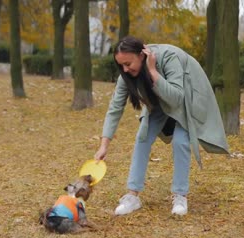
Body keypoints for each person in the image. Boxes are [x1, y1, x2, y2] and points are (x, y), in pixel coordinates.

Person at [94, 36, 229, 216]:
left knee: (181, 141)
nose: (125, 70)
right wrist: (104, 145)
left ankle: (180, 195)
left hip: (185, 98)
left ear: (141, 55)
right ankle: (132, 196)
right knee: (142, 138)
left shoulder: (169, 57)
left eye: (128, 64)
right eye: (121, 66)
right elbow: (115, 108)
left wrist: (152, 71)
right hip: (159, 102)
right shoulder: (127, 75)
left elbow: (176, 98)